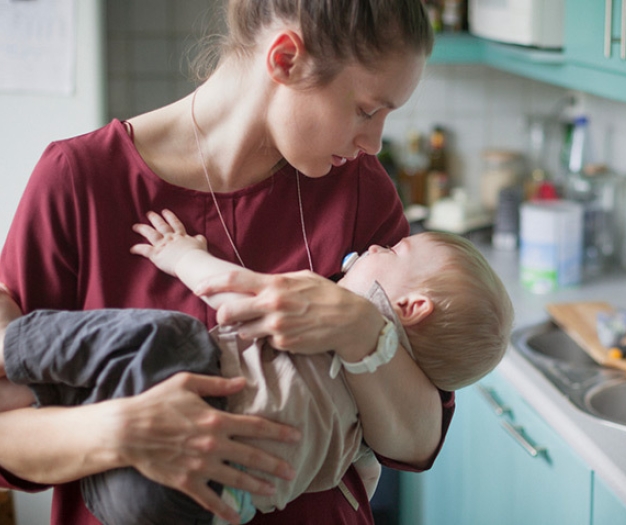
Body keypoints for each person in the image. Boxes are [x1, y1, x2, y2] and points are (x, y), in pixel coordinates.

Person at [0, 1, 449, 524]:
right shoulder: (78, 180)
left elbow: (417, 442)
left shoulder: (360, 191)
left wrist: (361, 329)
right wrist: (119, 430)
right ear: (285, 59)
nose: (372, 143)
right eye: (368, 111)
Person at [0, 209, 513, 524]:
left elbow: (234, 293)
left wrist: (181, 256)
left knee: (169, 336)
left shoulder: (340, 310)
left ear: (410, 307)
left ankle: (10, 344)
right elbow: (365, 473)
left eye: (394, 250)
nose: (378, 245)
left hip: (200, 421)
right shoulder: (366, 438)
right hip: (197, 509)